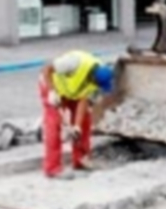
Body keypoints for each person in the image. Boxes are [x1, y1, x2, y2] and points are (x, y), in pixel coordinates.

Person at [39, 50, 115, 179]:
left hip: (73, 92)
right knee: (54, 124)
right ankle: (52, 168)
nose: (98, 87)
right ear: (92, 77)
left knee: (84, 120)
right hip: (53, 86)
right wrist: (52, 92)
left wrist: (77, 126)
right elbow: (47, 69)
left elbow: (83, 100)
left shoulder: (98, 76)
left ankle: (81, 160)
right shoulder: (74, 62)